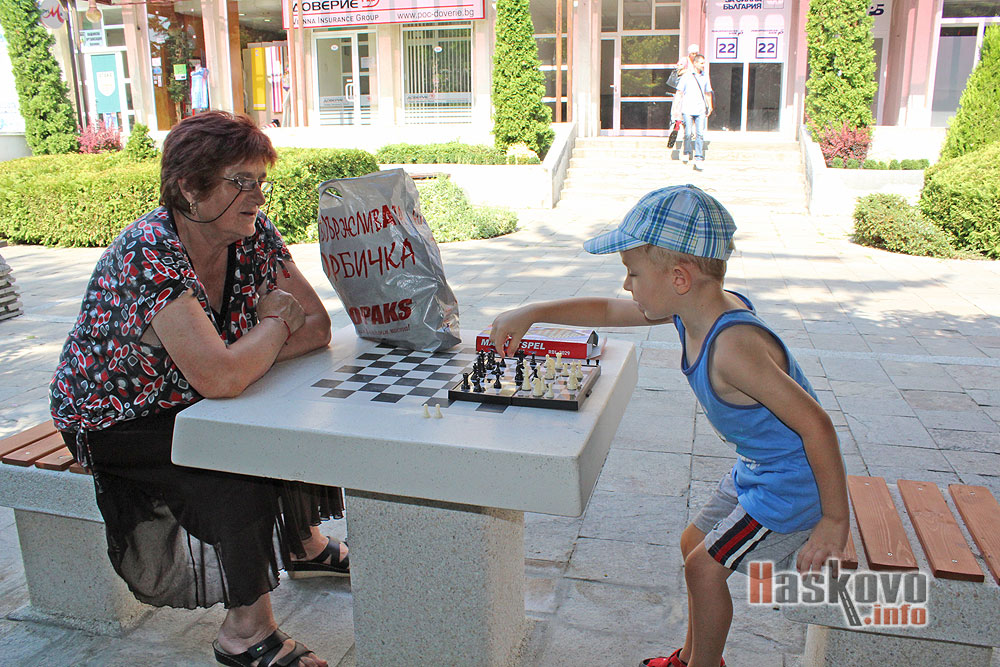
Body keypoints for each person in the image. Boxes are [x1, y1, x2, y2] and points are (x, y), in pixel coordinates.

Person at [489, 185, 849, 667]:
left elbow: (817, 426)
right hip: (759, 468)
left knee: (704, 569)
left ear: (679, 278)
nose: (626, 285)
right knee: (691, 543)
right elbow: (606, 311)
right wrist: (534, 312)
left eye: (633, 273)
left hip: (791, 485)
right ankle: (690, 657)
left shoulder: (733, 347)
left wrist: (834, 522)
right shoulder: (693, 310)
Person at [50, 111, 348, 667]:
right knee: (233, 466)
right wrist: (270, 327)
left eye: (260, 181)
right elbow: (223, 377)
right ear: (190, 187)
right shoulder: (150, 251)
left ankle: (303, 546)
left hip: (190, 399)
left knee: (295, 417)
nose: (257, 195)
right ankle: (245, 634)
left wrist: (240, 358)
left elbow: (318, 327)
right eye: (241, 181)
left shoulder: (253, 233)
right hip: (119, 417)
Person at [674, 55, 713, 170]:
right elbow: (679, 92)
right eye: (701, 63)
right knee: (688, 133)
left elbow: (707, 92)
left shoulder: (705, 76)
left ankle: (698, 158)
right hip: (687, 109)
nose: (703, 65)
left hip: (700, 109)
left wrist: (710, 106)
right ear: (695, 63)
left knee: (700, 133)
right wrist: (676, 107)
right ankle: (686, 151)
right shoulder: (686, 76)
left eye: (704, 63)